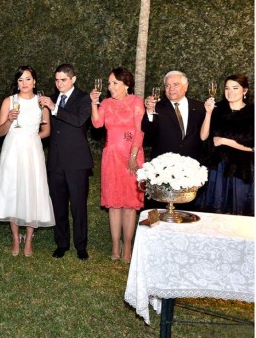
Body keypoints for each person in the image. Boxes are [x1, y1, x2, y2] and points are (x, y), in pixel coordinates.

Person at [0, 66, 53, 257]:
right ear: (17, 83)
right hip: (12, 148)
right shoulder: (9, 101)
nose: (24, 83)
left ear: (35, 82)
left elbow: (46, 130)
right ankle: (16, 238)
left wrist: (32, 139)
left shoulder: (42, 103)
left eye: (28, 79)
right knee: (12, 189)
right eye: (21, 80)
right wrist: (8, 120)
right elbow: (0, 131)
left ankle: (29, 238)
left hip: (32, 149)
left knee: (33, 189)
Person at [39, 63, 93, 261]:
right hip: (55, 161)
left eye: (63, 80)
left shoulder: (84, 98)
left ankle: (81, 246)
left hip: (77, 161)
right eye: (56, 80)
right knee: (58, 205)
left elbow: (79, 120)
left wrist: (55, 108)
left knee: (78, 206)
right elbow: (44, 125)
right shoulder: (50, 99)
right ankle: (61, 243)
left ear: (73, 79)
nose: (59, 83)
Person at [90, 67, 145, 263]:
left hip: (132, 156)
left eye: (114, 83)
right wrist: (94, 104)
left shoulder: (136, 102)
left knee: (130, 205)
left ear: (126, 84)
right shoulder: (105, 102)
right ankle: (115, 246)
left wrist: (133, 155)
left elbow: (140, 131)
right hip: (111, 156)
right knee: (114, 204)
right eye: (109, 83)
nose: (110, 87)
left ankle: (128, 247)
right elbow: (97, 124)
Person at [196, 74, 254, 216]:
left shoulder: (252, 113)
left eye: (235, 88)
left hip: (241, 170)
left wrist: (225, 141)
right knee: (214, 214)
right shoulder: (218, 109)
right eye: (227, 88)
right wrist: (208, 113)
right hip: (217, 169)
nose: (230, 92)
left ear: (244, 90)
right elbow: (203, 136)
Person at [142, 70, 206, 161]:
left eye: (175, 84)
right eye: (167, 85)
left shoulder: (200, 108)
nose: (171, 88)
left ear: (186, 87)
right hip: (163, 164)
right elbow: (148, 133)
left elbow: (205, 138)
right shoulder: (157, 107)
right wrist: (149, 111)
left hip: (192, 164)